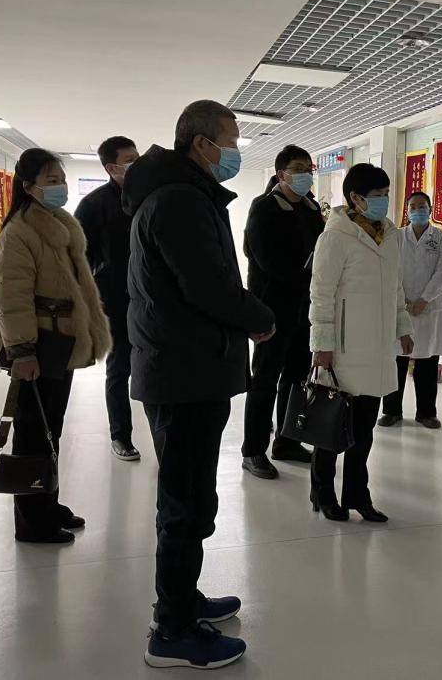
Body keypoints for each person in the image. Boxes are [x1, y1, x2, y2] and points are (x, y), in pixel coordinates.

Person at [123, 100, 276, 670]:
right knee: (185, 503)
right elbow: (208, 286)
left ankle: (183, 600)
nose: (235, 150)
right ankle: (173, 630)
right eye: (230, 139)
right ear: (202, 143)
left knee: (190, 497)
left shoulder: (181, 194)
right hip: (183, 373)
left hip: (185, 368)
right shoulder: (179, 201)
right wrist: (260, 318)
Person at [0, 148, 111, 544]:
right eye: (51, 180)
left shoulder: (57, 223)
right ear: (28, 186)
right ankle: (32, 523)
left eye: (62, 179)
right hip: (37, 344)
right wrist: (21, 351)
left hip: (58, 343)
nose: (60, 187)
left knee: (50, 429)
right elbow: (11, 295)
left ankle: (46, 501)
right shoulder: (21, 231)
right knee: (33, 433)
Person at [309, 163, 413, 523]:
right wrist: (322, 343)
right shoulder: (335, 237)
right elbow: (321, 294)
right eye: (377, 195)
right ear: (355, 198)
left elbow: (396, 287)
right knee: (332, 426)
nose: (384, 200)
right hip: (343, 348)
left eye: (387, 194)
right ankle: (322, 491)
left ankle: (357, 494)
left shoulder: (390, 235)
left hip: (378, 347)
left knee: (364, 430)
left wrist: (403, 327)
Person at [241, 145, 325, 479]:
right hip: (271, 310)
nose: (305, 174)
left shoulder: (311, 208)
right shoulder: (264, 208)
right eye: (298, 168)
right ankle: (253, 450)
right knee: (265, 379)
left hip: (305, 309)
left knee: (296, 377)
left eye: (308, 169)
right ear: (281, 174)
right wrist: (309, 273)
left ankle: (287, 441)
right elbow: (268, 262)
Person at [75, 135, 141, 461]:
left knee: (153, 366)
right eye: (130, 161)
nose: (137, 165)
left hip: (150, 300)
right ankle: (121, 436)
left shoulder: (149, 196)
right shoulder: (94, 205)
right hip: (114, 300)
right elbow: (78, 259)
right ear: (111, 168)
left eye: (138, 158)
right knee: (119, 370)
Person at [378, 191, 442, 429]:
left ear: (430, 209)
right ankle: (391, 410)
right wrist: (403, 300)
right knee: (396, 360)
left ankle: (426, 413)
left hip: (429, 308)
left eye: (422, 206)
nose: (417, 210)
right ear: (407, 210)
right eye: (412, 206)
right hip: (400, 304)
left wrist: (424, 299)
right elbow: (390, 269)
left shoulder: (441, 238)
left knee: (427, 362)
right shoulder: (397, 237)